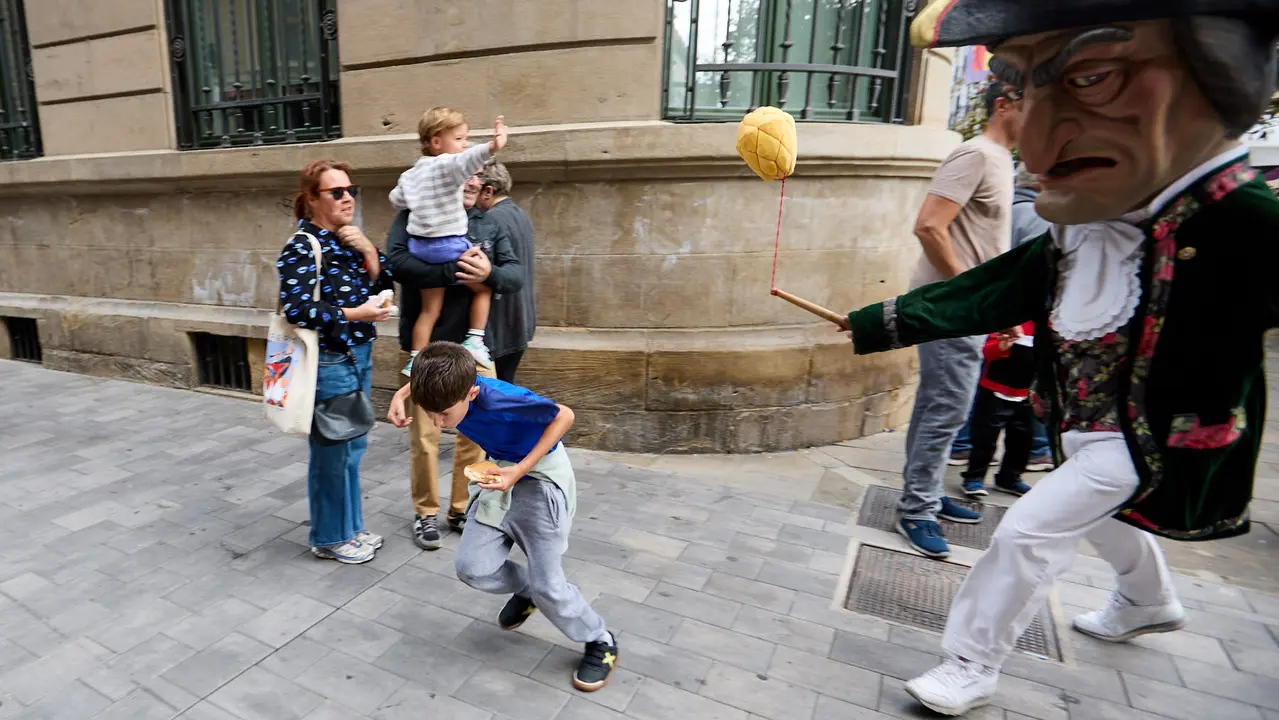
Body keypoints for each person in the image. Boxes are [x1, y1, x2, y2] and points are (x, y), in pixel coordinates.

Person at [846, 3, 1279, 715]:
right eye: (1024, 84)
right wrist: (873, 322)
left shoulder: (1244, 221)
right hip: (1079, 419)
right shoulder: (1073, 226)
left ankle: (969, 663)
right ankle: (1148, 600)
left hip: (1152, 431)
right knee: (1106, 519)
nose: (1039, 145)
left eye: (1095, 77)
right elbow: (991, 288)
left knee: (1024, 532)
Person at [386, 342, 618, 693]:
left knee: (549, 586)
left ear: (472, 392)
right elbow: (421, 365)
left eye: (444, 414)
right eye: (428, 410)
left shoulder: (502, 398)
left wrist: (519, 471)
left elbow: (564, 415)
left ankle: (600, 639)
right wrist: (402, 394)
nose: (437, 422)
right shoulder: (446, 389)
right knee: (473, 568)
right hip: (499, 475)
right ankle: (527, 592)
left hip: (539, 479)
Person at [895, 79, 1025, 560]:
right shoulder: (975, 154)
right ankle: (917, 509)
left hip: (966, 308)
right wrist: (971, 296)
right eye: (1035, 104)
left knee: (938, 406)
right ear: (1004, 104)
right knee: (947, 409)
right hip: (951, 310)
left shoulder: (1002, 160)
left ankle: (923, 491)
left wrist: (998, 308)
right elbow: (929, 225)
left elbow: (984, 247)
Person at [387, 173, 524, 549]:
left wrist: (490, 273)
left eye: (475, 180)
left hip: (476, 348)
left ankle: (460, 508)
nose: (469, 185)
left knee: (476, 436)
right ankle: (425, 513)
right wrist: (457, 272)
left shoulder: (488, 223)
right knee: (425, 437)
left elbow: (515, 275)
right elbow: (396, 264)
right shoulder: (413, 215)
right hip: (429, 347)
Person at [276, 159, 393, 565]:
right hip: (328, 360)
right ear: (312, 199)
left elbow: (384, 281)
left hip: (358, 355)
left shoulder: (347, 240)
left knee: (353, 447)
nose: (348, 198)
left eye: (351, 190)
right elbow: (297, 309)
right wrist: (354, 315)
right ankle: (329, 537)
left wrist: (367, 251)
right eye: (337, 192)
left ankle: (351, 528)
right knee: (332, 452)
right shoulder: (302, 246)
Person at [950, 164, 1054, 472]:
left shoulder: (1005, 212)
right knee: (1023, 383)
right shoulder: (1039, 218)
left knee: (985, 380)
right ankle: (1036, 449)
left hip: (994, 307)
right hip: (1020, 318)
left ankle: (962, 445)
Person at [390, 108, 508, 375]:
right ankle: (475, 339)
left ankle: (415, 359)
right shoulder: (447, 166)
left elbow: (397, 198)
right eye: (459, 138)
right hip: (449, 245)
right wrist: (492, 146)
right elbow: (467, 160)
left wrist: (420, 202)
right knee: (483, 288)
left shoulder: (411, 175)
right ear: (435, 142)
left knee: (429, 310)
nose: (465, 144)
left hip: (421, 248)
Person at [476, 161, 537, 383]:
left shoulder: (491, 220)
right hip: (520, 322)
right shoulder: (521, 215)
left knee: (493, 394)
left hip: (500, 326)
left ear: (488, 191)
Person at [961, 321, 1035, 498]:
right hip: (995, 391)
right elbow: (986, 351)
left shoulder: (1044, 325)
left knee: (1022, 441)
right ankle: (974, 477)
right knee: (984, 439)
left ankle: (1009, 478)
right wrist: (1003, 345)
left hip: (1025, 394)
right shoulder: (1007, 321)